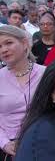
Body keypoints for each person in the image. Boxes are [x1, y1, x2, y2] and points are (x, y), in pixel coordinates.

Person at [0, 25, 46, 160]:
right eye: (0, 46)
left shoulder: (46, 73)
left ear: (24, 43)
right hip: (10, 149)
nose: (4, 49)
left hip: (44, 142)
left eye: (8, 43)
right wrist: (5, 143)